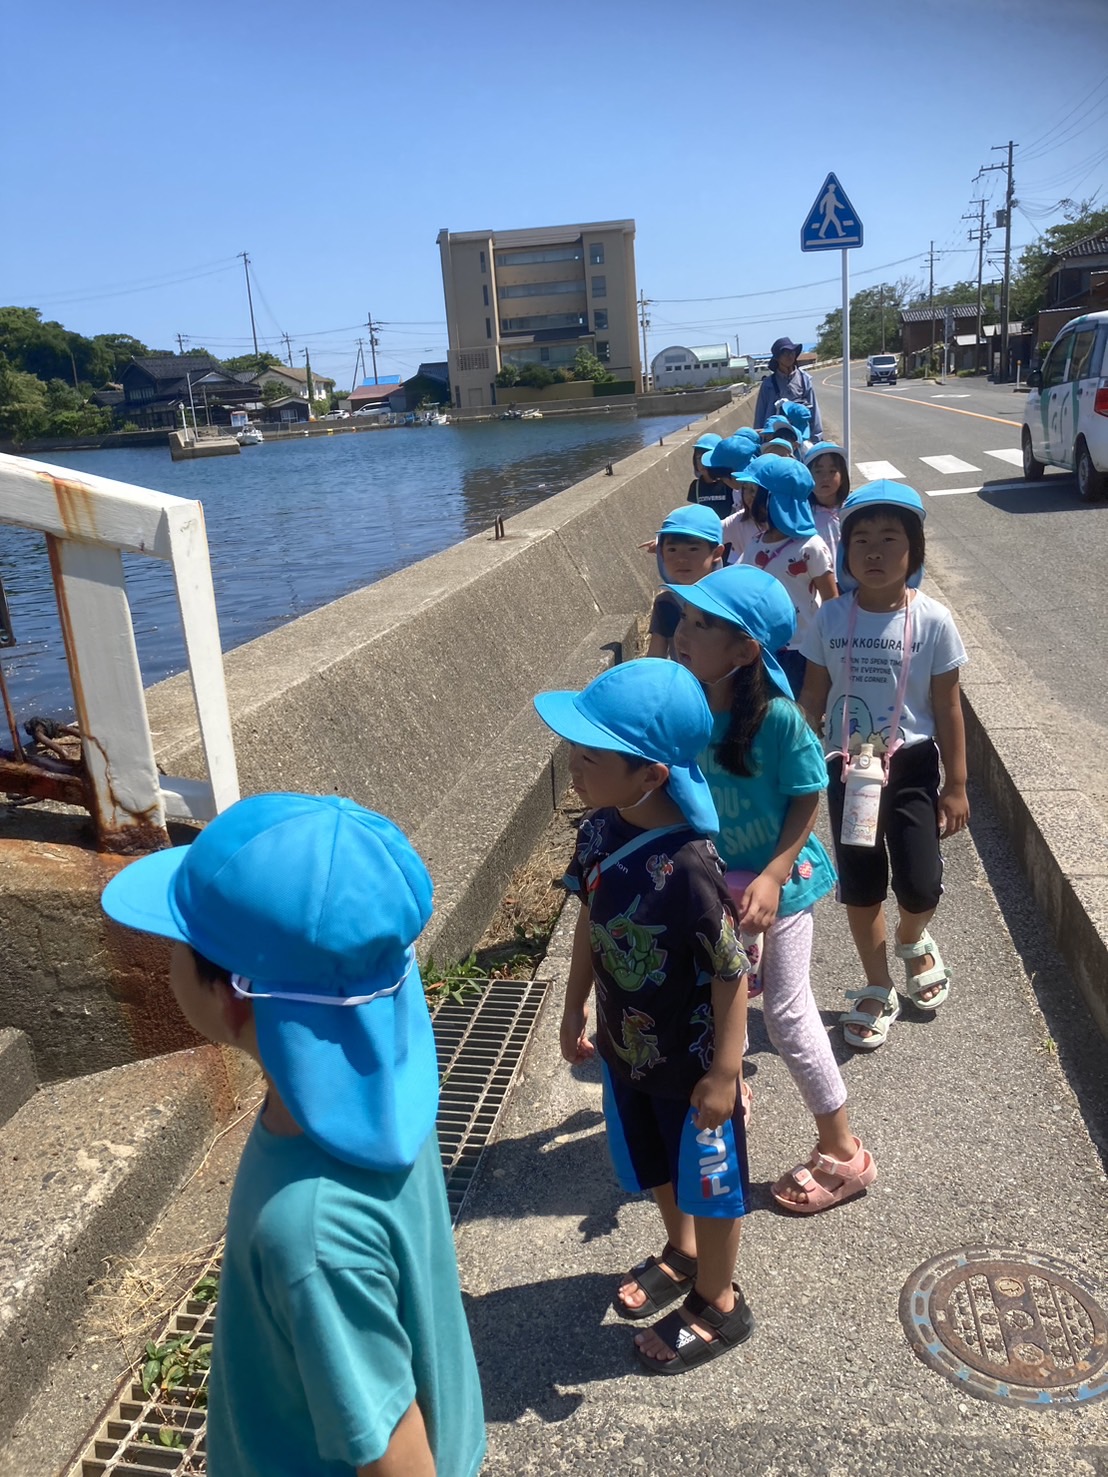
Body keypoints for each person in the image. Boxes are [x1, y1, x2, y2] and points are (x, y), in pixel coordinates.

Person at [100, 793, 486, 1477]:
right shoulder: (390, 1089)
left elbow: (396, 1456)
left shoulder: (307, 1229)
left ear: (232, 996)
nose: (170, 962)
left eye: (178, 945)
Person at [533, 659, 755, 1374]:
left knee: (711, 1180)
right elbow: (591, 918)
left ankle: (720, 1301)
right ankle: (683, 1251)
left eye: (591, 757)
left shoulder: (690, 866)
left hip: (693, 1066)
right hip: (627, 1044)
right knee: (657, 1162)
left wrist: (726, 1070)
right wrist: (572, 1006)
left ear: (652, 774)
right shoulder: (599, 829)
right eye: (575, 750)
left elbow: (729, 971)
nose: (574, 767)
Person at [667, 565, 877, 1213]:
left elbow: (808, 794)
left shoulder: (780, 720)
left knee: (786, 1012)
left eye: (703, 624)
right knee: (713, 995)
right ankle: (729, 1088)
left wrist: (775, 870)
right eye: (685, 615)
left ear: (744, 650)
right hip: (716, 883)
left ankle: (843, 1151)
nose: (682, 631)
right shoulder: (690, 704)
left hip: (777, 883)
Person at [798, 483, 969, 1050]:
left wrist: (958, 784)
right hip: (850, 768)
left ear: (914, 551)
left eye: (889, 540)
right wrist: (792, 757)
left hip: (913, 765)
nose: (873, 552)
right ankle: (877, 985)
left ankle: (913, 937)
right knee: (862, 883)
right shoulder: (829, 620)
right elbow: (813, 698)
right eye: (861, 540)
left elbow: (946, 705)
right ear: (844, 552)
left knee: (921, 883)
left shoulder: (935, 621)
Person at [741, 455, 837, 697]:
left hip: (802, 647)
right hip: (763, 646)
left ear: (772, 501)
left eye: (756, 492)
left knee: (801, 709)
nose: (750, 499)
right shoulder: (754, 544)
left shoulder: (810, 547)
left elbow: (831, 600)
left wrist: (829, 647)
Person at [647, 505, 724, 658]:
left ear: (717, 553)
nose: (681, 559)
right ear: (661, 553)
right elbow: (655, 657)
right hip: (685, 682)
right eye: (672, 550)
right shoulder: (666, 603)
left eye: (693, 549)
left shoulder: (729, 600)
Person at [754, 337, 824, 439]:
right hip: (776, 438)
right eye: (785, 353)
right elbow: (760, 414)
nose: (790, 356)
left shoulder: (804, 379)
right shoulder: (768, 384)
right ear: (777, 358)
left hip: (802, 435)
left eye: (792, 352)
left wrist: (816, 439)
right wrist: (760, 438)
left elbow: (814, 411)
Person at [804, 440, 850, 566]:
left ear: (843, 477)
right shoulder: (804, 515)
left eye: (832, 471)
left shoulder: (851, 510)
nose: (825, 478)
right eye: (818, 472)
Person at [685, 432, 734, 519]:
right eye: (699, 458)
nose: (702, 463)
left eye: (707, 457)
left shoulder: (729, 483)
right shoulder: (695, 486)